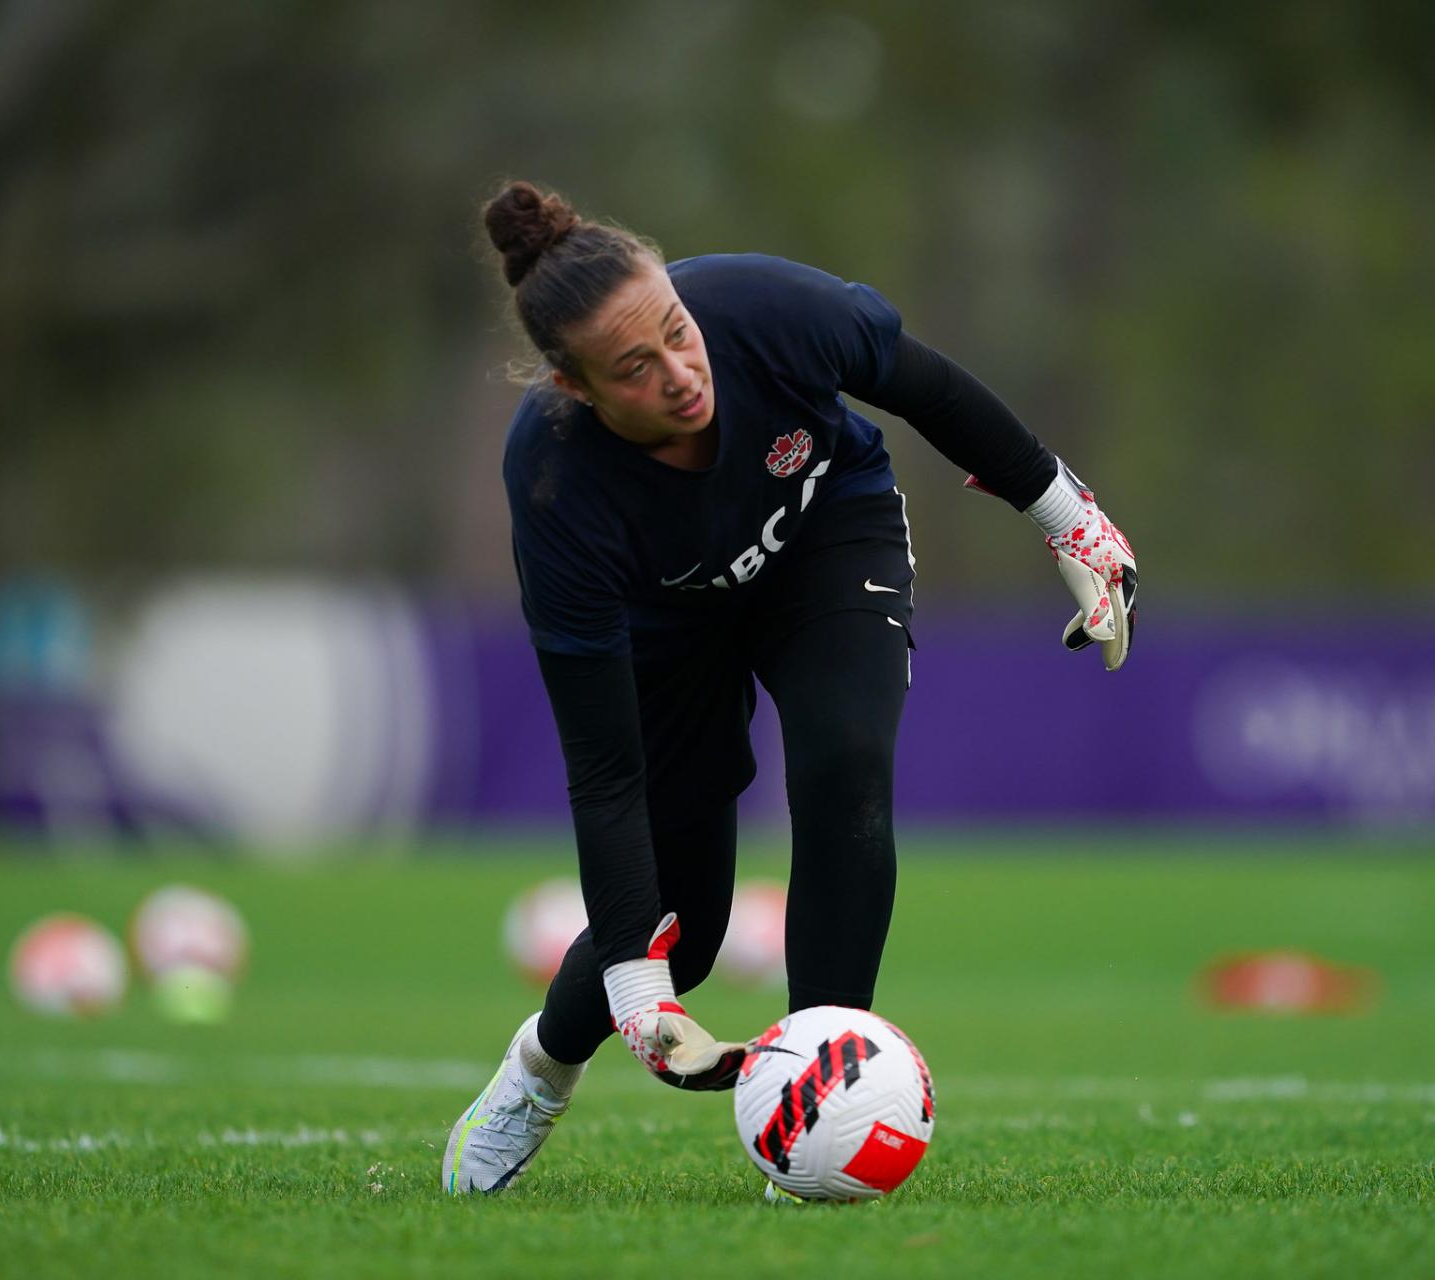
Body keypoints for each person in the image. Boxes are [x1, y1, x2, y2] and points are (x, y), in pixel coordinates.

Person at [443, 181, 1135, 1195]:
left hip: (825, 537)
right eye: (635, 368)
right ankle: (539, 1069)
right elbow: (602, 769)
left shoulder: (768, 310)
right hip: (667, 620)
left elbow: (930, 391)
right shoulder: (554, 479)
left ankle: (818, 1102)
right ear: (576, 387)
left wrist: (1071, 519)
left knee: (846, 764)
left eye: (677, 333)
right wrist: (637, 990)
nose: (681, 374)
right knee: (688, 924)